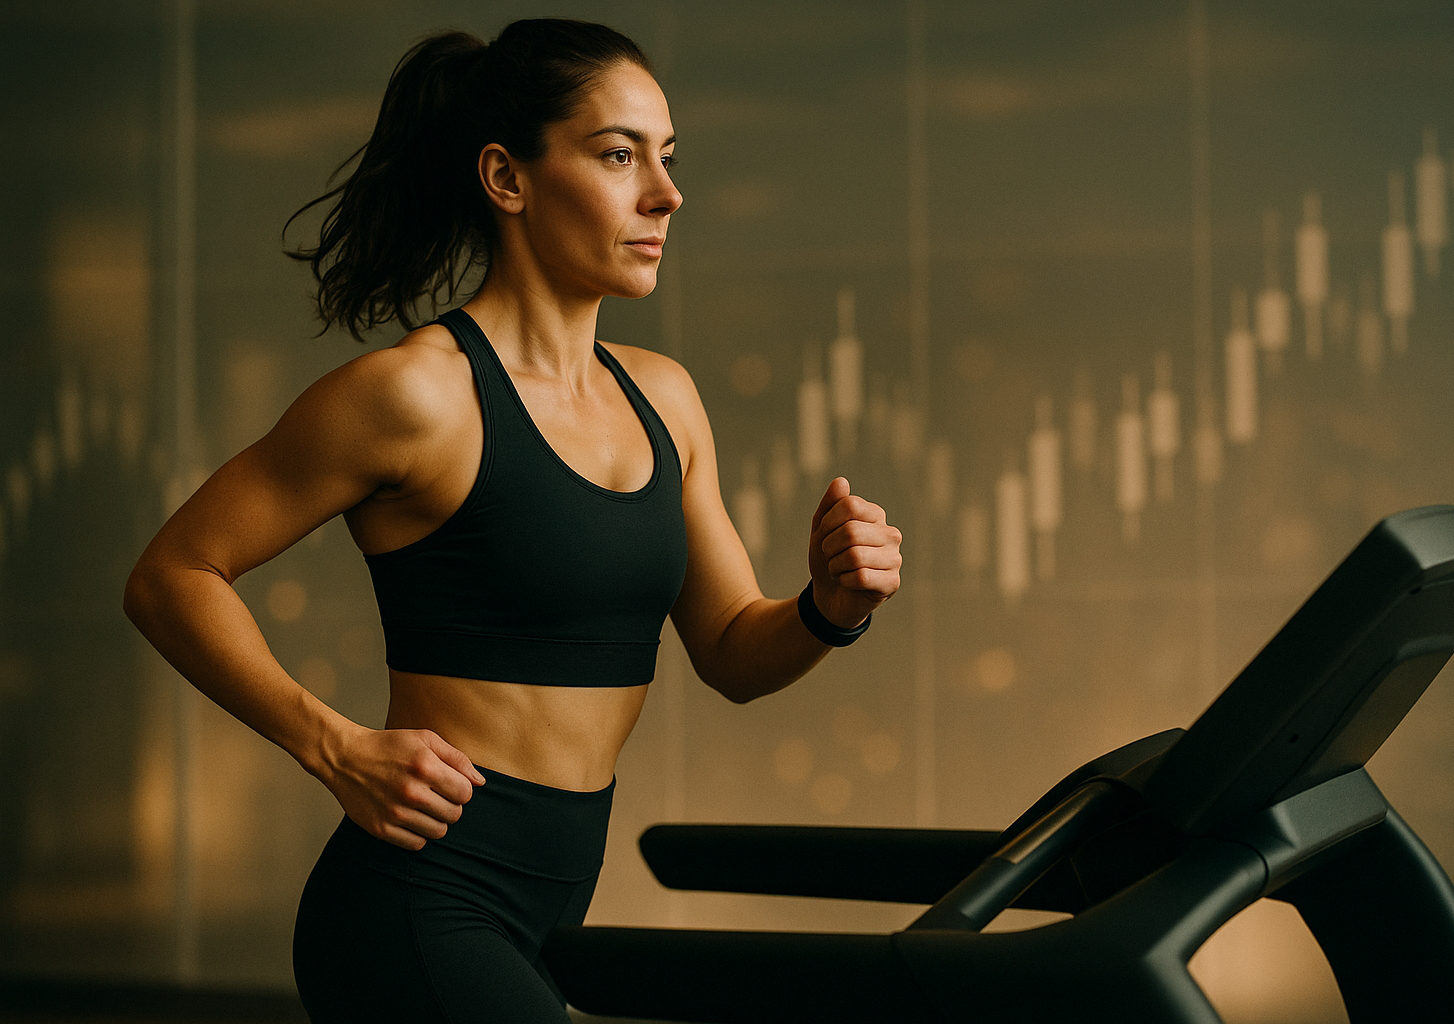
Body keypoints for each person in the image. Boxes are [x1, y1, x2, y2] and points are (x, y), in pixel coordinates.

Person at [122, 17, 902, 1024]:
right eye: (619, 155)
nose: (664, 193)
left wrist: (829, 608)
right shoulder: (417, 397)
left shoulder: (666, 399)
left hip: (552, 912)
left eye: (666, 157)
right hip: (416, 903)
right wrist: (334, 747)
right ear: (507, 178)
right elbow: (171, 573)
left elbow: (729, 650)